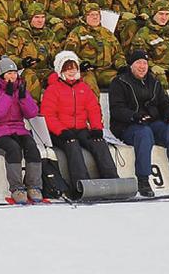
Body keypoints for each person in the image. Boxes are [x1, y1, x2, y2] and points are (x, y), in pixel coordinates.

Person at [108, 50, 169, 196]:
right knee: (144, 133)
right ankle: (143, 179)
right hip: (128, 125)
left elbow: (165, 103)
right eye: (138, 63)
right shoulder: (119, 82)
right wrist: (135, 116)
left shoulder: (154, 82)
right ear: (131, 65)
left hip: (152, 122)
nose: (142, 66)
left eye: (145, 63)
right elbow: (117, 109)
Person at [40, 50, 119, 195]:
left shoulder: (83, 87)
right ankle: (81, 184)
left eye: (74, 68)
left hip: (81, 128)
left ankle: (112, 180)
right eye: (67, 68)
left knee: (99, 142)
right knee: (72, 145)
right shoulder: (53, 89)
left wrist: (96, 128)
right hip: (60, 132)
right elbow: (48, 115)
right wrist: (61, 131)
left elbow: (93, 108)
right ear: (60, 70)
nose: (71, 71)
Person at [0, 56, 43, 204]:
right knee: (13, 149)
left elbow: (32, 113)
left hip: (18, 129)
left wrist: (23, 97)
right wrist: (8, 95)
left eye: (14, 73)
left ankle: (34, 186)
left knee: (32, 147)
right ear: (2, 74)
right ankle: (17, 188)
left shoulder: (19, 88)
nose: (12, 76)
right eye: (9, 73)